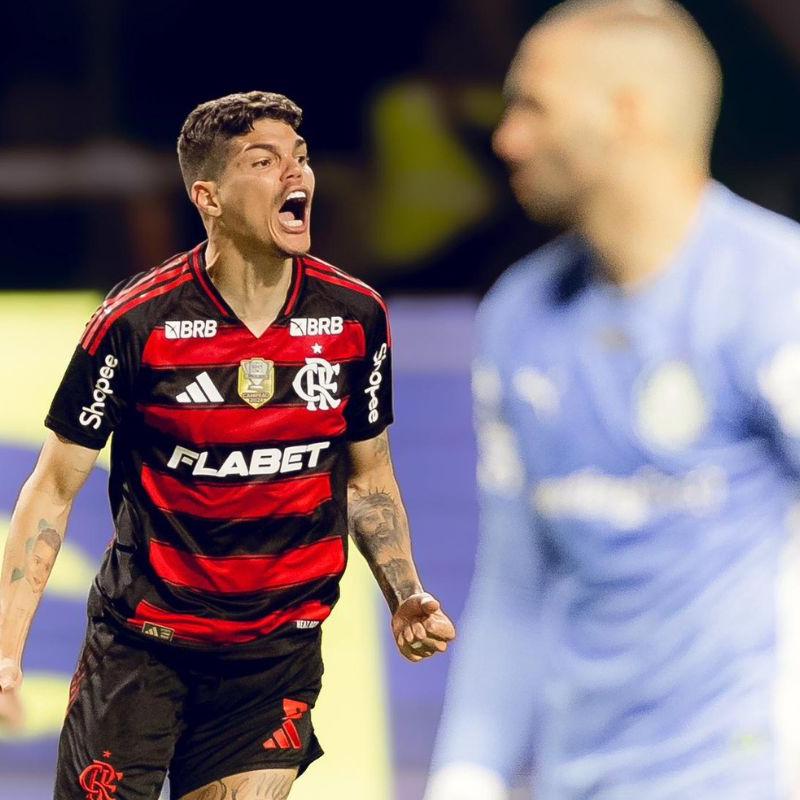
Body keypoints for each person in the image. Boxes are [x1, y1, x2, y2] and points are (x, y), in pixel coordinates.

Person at [0, 90, 455, 800]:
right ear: (208, 197)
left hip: (275, 656)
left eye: (300, 158)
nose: (295, 174)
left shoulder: (354, 318)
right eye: (264, 161)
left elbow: (368, 480)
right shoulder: (135, 323)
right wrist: (6, 653)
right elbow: (53, 489)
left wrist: (406, 592)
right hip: (143, 648)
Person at [426, 1, 800, 798]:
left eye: (533, 106)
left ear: (629, 111)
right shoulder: (518, 317)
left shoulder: (774, 297)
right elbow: (515, 583)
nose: (507, 138)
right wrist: (465, 778)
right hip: (579, 778)